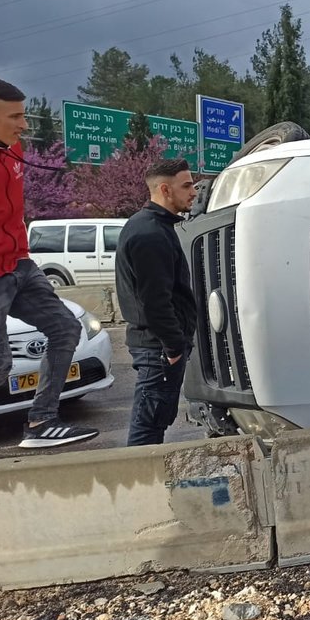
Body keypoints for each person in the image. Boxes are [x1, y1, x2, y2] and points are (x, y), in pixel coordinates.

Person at [0, 77, 99, 449]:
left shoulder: (12, 149)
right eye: (15, 117)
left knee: (66, 329)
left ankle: (41, 422)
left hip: (20, 266)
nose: (24, 125)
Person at [116, 158, 199, 446]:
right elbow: (155, 301)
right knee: (147, 429)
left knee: (155, 422)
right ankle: (138, 487)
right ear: (165, 189)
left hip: (159, 348)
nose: (194, 192)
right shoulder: (150, 234)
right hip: (158, 350)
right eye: (186, 185)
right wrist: (174, 348)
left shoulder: (154, 227)